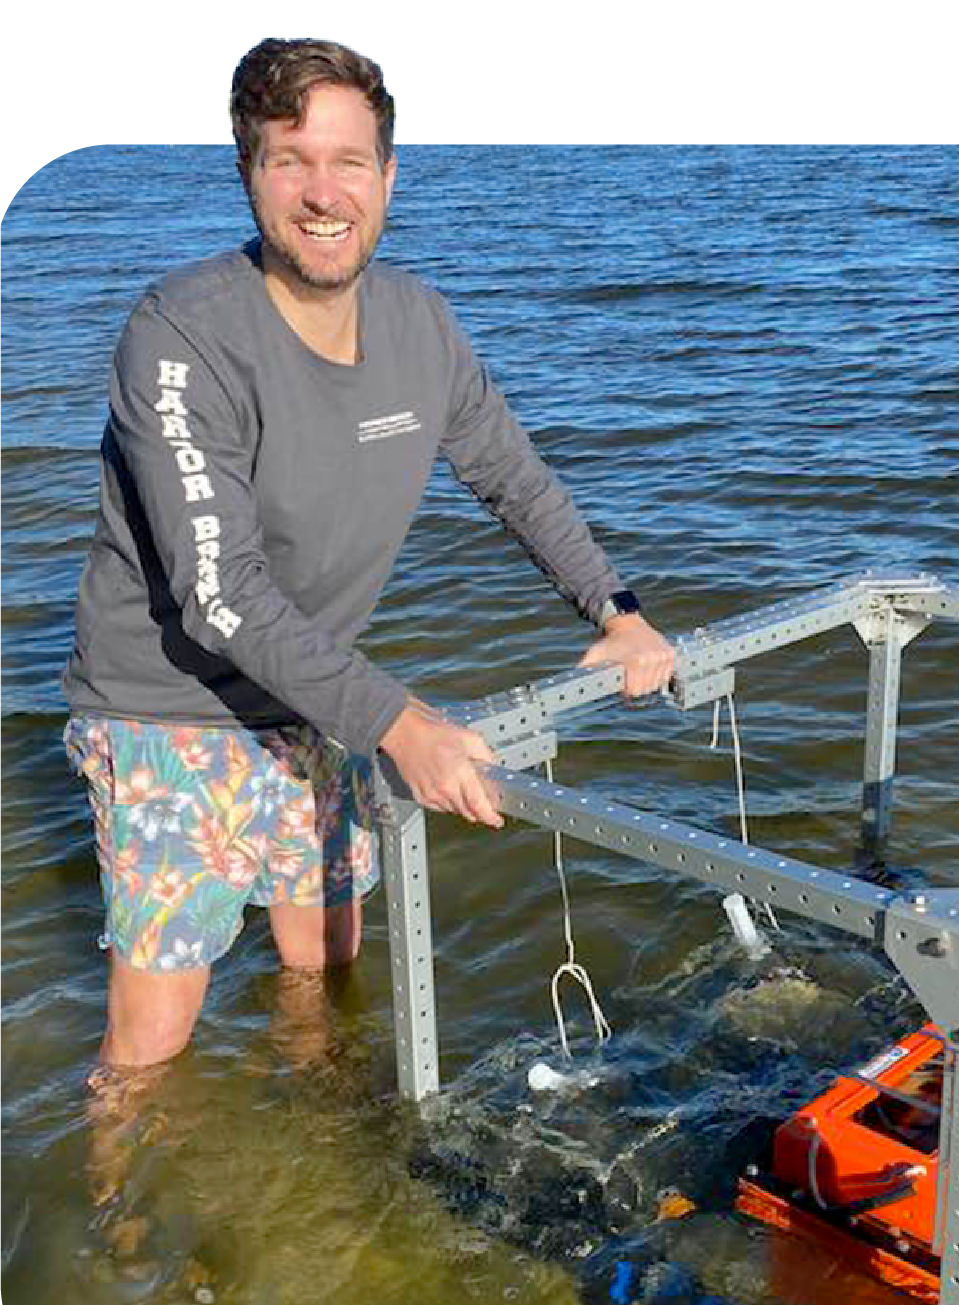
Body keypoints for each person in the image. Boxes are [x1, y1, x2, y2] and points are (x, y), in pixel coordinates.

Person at [62, 35, 676, 1074]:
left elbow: (512, 479)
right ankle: (123, 1228)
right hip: (167, 707)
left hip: (315, 691)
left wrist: (616, 610)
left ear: (389, 176)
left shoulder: (419, 323)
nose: (320, 192)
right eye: (287, 159)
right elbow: (219, 597)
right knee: (155, 1043)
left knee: (329, 965)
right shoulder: (178, 334)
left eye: (348, 161)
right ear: (247, 173)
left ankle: (319, 1157)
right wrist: (402, 724)